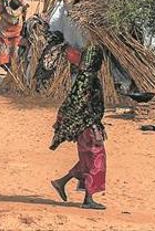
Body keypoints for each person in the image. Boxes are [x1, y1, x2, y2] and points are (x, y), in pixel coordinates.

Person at [50, 45, 107, 210]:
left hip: (86, 125)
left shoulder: (84, 77)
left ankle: (61, 182)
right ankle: (88, 199)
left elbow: (73, 101)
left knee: (88, 160)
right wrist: (90, 120)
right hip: (88, 126)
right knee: (96, 161)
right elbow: (78, 103)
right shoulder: (88, 79)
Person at [0, 0, 28, 75]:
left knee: (2, 44)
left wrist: (4, 13)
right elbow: (23, 9)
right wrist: (22, 19)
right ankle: (12, 67)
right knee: (15, 45)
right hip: (17, 25)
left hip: (5, 25)